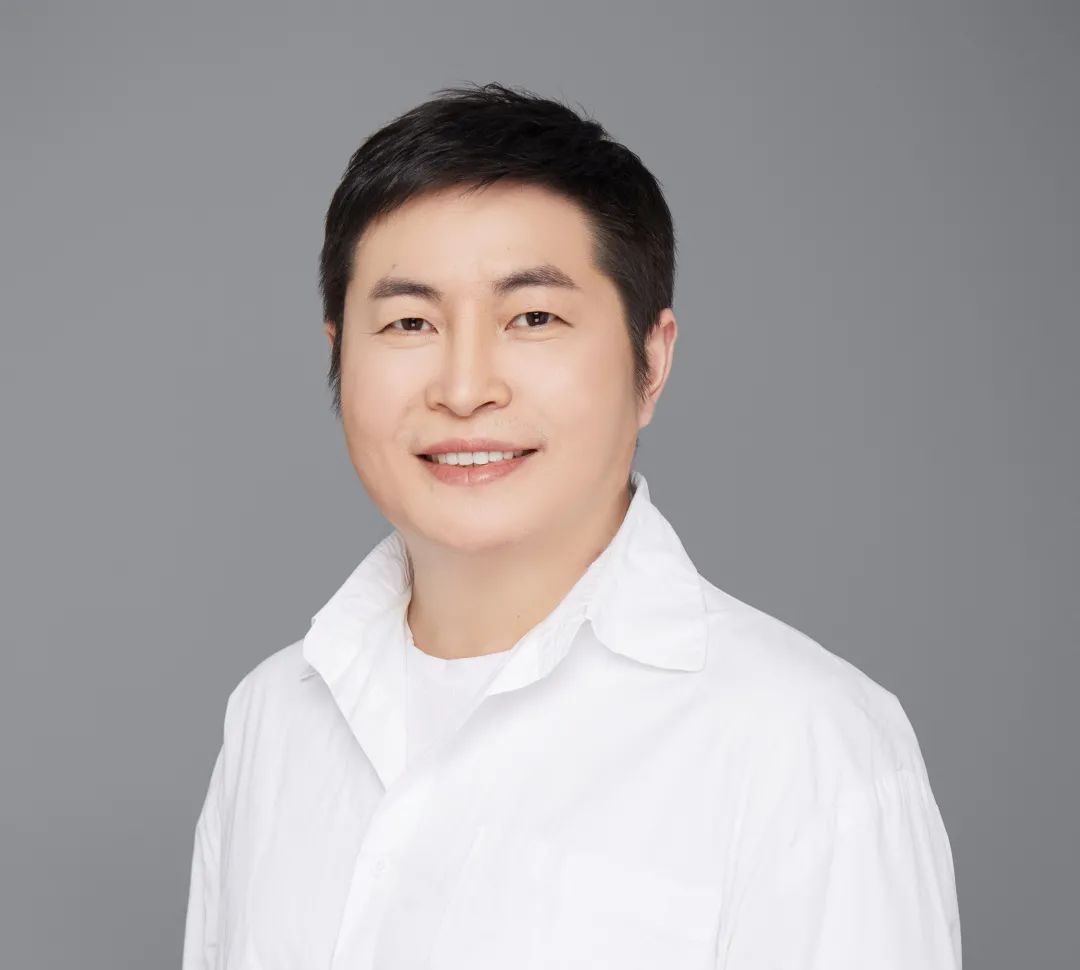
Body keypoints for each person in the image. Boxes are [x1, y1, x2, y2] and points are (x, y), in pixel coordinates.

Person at [182, 82, 962, 969]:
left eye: (533, 318)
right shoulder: (273, 718)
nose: (464, 388)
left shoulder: (808, 747)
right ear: (338, 354)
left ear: (651, 360)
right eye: (409, 322)